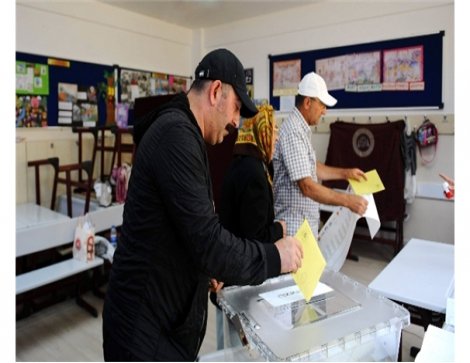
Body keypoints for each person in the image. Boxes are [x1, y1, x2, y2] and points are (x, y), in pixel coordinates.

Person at [102, 48, 303, 362]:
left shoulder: (185, 134)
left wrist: (201, 268)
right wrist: (276, 255)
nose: (236, 122)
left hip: (162, 325)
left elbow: (186, 230)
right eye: (236, 108)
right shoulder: (176, 136)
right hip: (143, 331)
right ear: (216, 92)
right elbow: (209, 242)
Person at [211, 104, 286, 349]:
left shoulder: (244, 162)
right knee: (239, 345)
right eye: (273, 131)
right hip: (240, 276)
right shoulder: (253, 173)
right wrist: (279, 230)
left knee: (229, 339)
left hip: (231, 270)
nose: (276, 137)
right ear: (262, 133)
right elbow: (254, 237)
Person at [273, 71, 369, 238]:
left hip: (303, 225)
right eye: (323, 105)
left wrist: (346, 174)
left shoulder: (301, 130)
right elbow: (307, 187)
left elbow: (311, 167)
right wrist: (347, 201)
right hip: (294, 228)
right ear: (308, 102)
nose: (325, 111)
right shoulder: (293, 132)